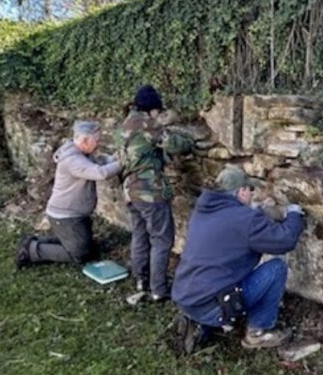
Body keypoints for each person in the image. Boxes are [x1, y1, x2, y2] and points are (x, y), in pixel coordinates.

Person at [172, 165, 305, 352]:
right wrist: (294, 214)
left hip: (185, 297)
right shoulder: (245, 219)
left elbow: (234, 227)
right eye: (250, 190)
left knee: (219, 275)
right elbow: (284, 240)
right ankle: (257, 333)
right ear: (241, 191)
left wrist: (257, 211)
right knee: (276, 268)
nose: (252, 194)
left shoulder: (203, 211)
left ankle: (199, 322)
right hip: (212, 305)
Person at [116, 84, 194, 302]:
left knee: (140, 236)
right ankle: (159, 289)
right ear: (151, 109)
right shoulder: (146, 124)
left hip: (130, 191)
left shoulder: (123, 125)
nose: (159, 115)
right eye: (158, 111)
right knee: (161, 240)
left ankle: (141, 280)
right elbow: (175, 144)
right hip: (150, 193)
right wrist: (190, 142)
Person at [16, 120, 121, 269]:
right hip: (65, 216)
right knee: (80, 254)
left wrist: (118, 157)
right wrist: (126, 162)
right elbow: (100, 172)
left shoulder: (83, 153)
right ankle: (33, 250)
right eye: (97, 140)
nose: (98, 144)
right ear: (85, 140)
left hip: (75, 215)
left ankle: (37, 241)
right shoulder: (73, 160)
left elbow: (102, 162)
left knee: (89, 249)